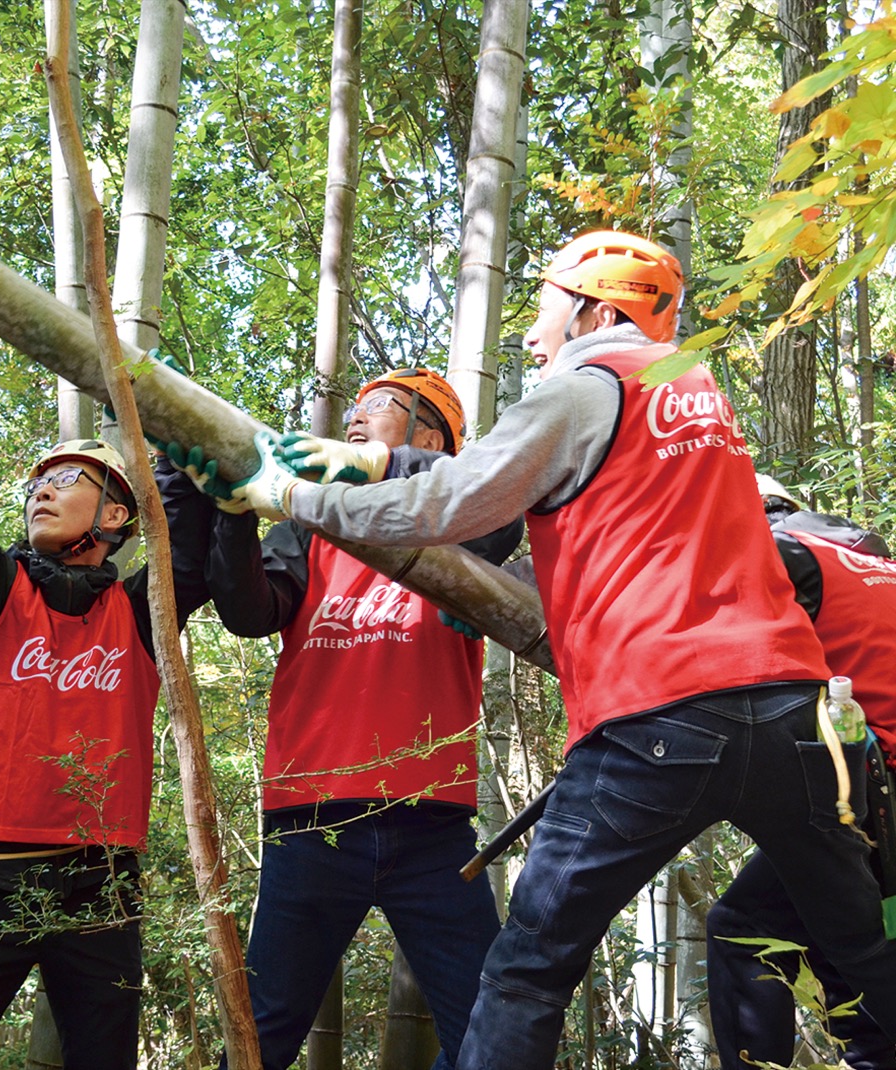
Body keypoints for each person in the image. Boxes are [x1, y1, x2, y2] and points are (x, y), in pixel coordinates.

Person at [201, 230, 896, 1070]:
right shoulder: (695, 391)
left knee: (526, 974)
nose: (533, 335)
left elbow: (449, 504)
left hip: (657, 716)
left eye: (544, 310)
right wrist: (375, 457)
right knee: (862, 957)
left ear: (598, 312)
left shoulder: (584, 387)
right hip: (795, 717)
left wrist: (291, 495)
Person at [0, 276, 211, 1070]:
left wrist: (170, 432)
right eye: (37, 482)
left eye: (66, 480)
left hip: (99, 885)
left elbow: (192, 554)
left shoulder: (140, 612)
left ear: (114, 515)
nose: (42, 489)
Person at [189, 368, 522, 1070]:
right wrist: (232, 514)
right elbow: (250, 612)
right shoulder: (312, 529)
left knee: (491, 1030)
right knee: (264, 1035)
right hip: (313, 820)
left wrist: (389, 471)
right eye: (356, 409)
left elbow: (501, 519)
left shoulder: (459, 525)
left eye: (380, 407)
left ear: (431, 438)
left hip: (432, 826)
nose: (356, 417)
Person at [706, 475, 896, 1070]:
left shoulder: (781, 554)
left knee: (745, 929)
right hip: (875, 781)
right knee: (843, 947)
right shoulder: (872, 565)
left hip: (872, 787)